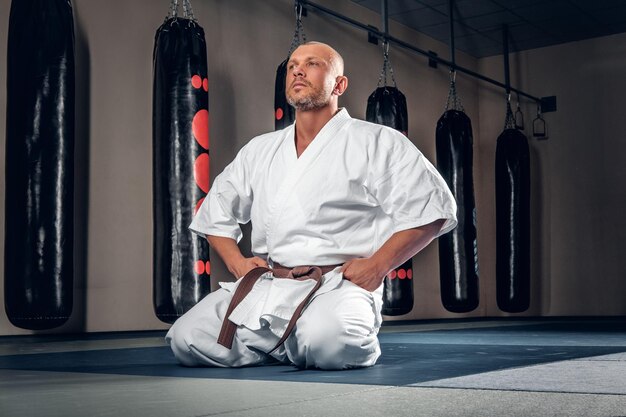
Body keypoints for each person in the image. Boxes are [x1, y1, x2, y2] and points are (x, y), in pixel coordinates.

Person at [166, 41, 457, 370]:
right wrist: (237, 263)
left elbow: (432, 209)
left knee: (331, 343)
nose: (298, 70)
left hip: (337, 285)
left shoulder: (377, 141)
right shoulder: (260, 150)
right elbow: (216, 211)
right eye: (292, 66)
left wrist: (378, 266)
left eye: (313, 63)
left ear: (339, 84)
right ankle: (291, 343)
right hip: (271, 285)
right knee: (187, 338)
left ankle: (294, 340)